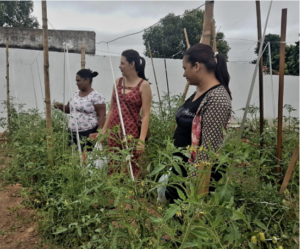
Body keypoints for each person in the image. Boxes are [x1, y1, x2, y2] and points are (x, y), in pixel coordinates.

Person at [166, 43, 232, 203]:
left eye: (185, 68)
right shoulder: (199, 92)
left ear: (196, 66)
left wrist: (194, 189)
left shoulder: (217, 99)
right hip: (180, 170)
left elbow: (207, 153)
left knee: (184, 224)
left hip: (192, 179)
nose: (183, 74)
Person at [102, 49, 152, 178]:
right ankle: (114, 191)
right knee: (113, 161)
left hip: (131, 131)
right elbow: (112, 108)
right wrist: (104, 129)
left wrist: (141, 140)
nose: (119, 66)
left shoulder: (143, 85)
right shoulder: (118, 82)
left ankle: (131, 193)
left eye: (122, 63)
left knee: (131, 163)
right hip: (114, 129)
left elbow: (146, 115)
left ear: (132, 64)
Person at [54, 69, 106, 151]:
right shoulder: (75, 94)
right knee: (74, 157)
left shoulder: (96, 96)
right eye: (76, 81)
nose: (76, 83)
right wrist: (60, 106)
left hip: (88, 133)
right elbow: (68, 109)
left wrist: (100, 133)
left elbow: (102, 116)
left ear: (87, 80)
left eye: (78, 80)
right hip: (72, 132)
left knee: (87, 156)